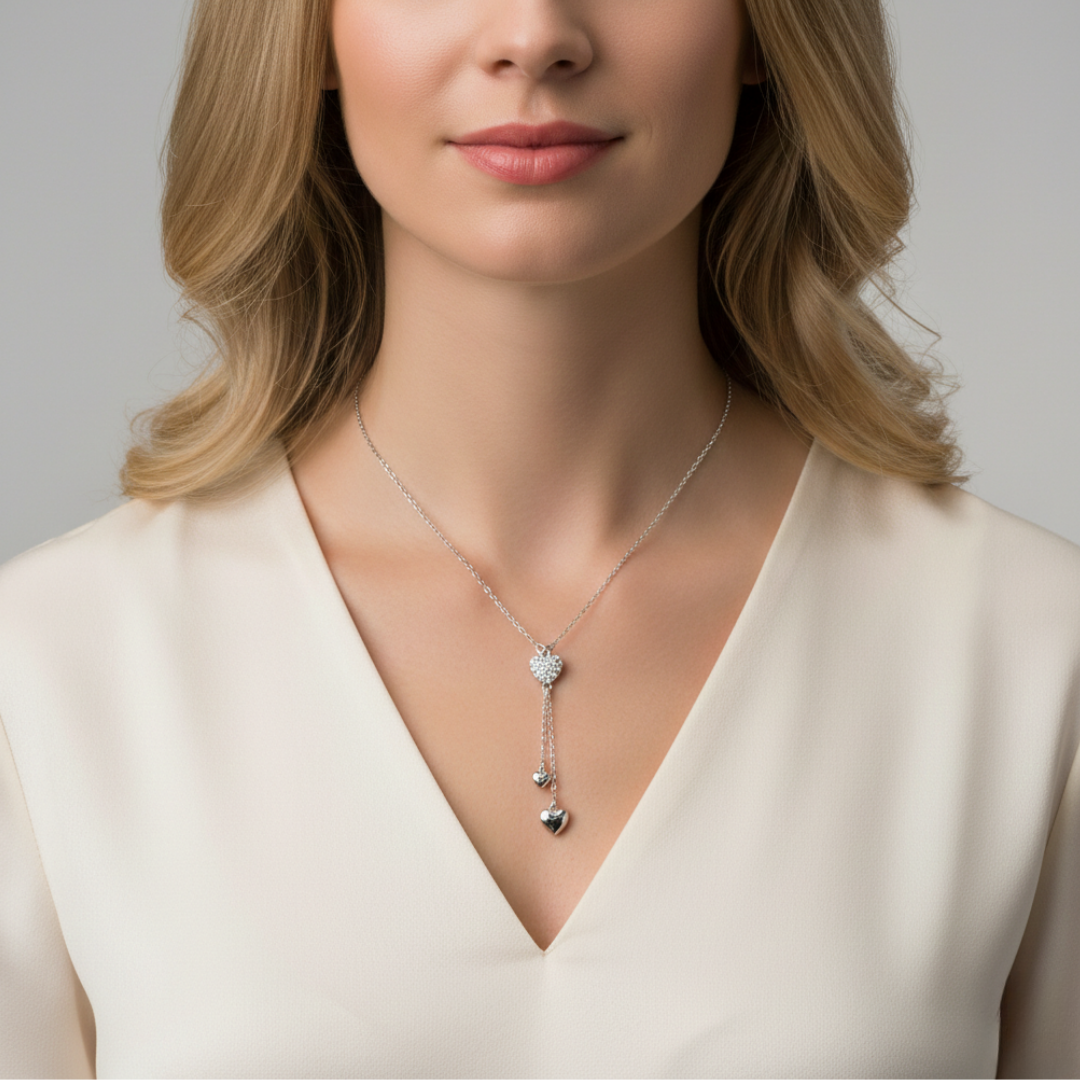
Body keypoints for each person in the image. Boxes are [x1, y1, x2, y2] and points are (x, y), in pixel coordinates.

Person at [0, 0, 1076, 1074]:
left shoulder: (1030, 650)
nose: (535, 34)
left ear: (762, 32)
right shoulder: (54, 662)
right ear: (308, 37)